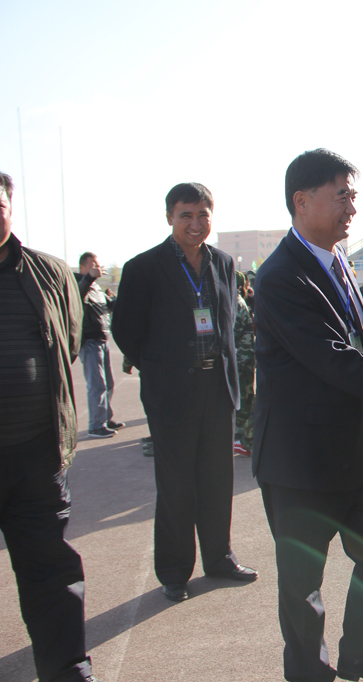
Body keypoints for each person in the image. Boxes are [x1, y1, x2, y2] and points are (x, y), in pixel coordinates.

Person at [253, 148, 363, 682]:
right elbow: (333, 358)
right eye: (341, 195)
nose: (352, 206)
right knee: (302, 583)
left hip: (361, 450)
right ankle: (309, 673)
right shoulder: (280, 276)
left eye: (354, 195)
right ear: (302, 201)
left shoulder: (339, 261)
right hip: (301, 460)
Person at [112, 182, 257, 603]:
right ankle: (175, 571)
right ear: (169, 217)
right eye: (186, 215)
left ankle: (219, 558)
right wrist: (161, 369)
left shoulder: (224, 263)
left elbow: (228, 323)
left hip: (218, 389)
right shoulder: (143, 267)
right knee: (176, 485)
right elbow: (126, 330)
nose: (195, 224)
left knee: (217, 480)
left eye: (203, 215)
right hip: (172, 393)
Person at [0, 172, 103, 682]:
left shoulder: (50, 273)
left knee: (50, 571)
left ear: (9, 206)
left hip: (35, 456)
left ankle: (67, 670)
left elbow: (70, 338)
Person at [75, 252, 125, 439]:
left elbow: (108, 307)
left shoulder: (96, 288)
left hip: (102, 339)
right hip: (89, 341)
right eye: (93, 264)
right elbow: (76, 297)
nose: (97, 267)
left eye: (97, 264)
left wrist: (120, 298)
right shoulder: (78, 283)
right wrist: (89, 278)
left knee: (108, 383)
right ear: (83, 267)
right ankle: (96, 425)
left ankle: (105, 418)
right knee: (97, 384)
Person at [233, 271, 256, 457]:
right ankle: (242, 433)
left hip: (243, 357)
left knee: (244, 396)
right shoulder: (237, 301)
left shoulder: (236, 303)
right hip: (244, 356)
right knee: (244, 395)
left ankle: (243, 434)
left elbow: (233, 331)